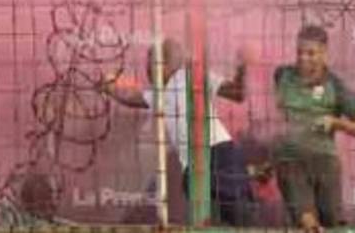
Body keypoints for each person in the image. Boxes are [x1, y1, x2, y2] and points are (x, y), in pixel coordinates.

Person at [103, 38, 255, 225]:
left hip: (220, 153)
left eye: (151, 62)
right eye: (147, 63)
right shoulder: (157, 94)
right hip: (193, 166)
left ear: (166, 63)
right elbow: (130, 98)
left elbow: (237, 93)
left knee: (240, 215)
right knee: (209, 215)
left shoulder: (192, 77)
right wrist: (110, 88)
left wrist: (242, 68)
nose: (147, 69)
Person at [272, 25, 355, 233]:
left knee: (333, 224)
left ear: (324, 54)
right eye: (299, 52)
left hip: (324, 162)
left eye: (311, 53)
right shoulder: (282, 75)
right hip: (290, 160)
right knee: (307, 222)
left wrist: (337, 123)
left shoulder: (335, 86)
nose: (303, 58)